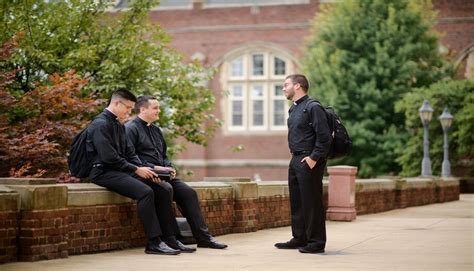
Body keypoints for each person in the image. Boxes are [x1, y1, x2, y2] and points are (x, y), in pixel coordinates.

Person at [87, 88, 194, 255]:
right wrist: (136, 169)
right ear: (116, 103)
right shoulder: (100, 124)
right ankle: (153, 242)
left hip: (122, 170)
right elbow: (109, 158)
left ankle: (171, 239)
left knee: (164, 188)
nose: (130, 112)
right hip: (103, 172)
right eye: (128, 108)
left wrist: (147, 171)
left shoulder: (118, 124)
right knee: (145, 192)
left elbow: (130, 153)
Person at [125, 95, 228, 250]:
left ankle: (203, 238)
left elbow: (163, 155)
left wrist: (169, 166)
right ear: (143, 109)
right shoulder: (130, 129)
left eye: (159, 107)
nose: (159, 111)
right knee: (166, 190)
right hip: (145, 174)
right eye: (155, 108)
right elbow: (130, 158)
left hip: (163, 174)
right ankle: (171, 239)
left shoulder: (155, 129)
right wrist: (155, 168)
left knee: (189, 193)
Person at [274, 74, 332, 254]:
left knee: (312, 202)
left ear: (298, 86)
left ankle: (316, 242)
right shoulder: (294, 109)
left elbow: (324, 137)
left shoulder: (313, 107)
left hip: (309, 161)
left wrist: (313, 158)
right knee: (297, 201)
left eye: (286, 85)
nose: (283, 88)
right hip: (296, 159)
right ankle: (300, 238)